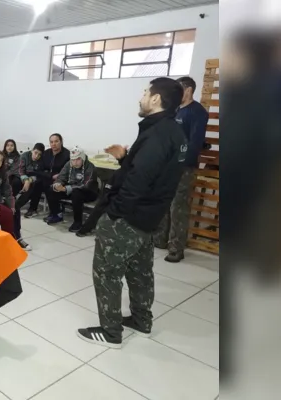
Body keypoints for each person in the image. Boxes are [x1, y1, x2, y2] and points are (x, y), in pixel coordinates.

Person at [77, 77, 187, 349]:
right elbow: (153, 173)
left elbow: (139, 181)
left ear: (156, 99)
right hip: (149, 218)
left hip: (129, 217)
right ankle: (141, 320)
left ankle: (110, 331)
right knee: (140, 272)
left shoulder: (157, 134)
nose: (141, 96)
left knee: (106, 271)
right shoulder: (174, 132)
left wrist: (113, 215)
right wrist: (125, 158)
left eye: (145, 92)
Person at [153, 76, 210, 263]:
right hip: (166, 165)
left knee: (178, 207)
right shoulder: (175, 110)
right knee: (163, 203)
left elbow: (195, 143)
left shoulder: (197, 112)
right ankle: (160, 239)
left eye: (179, 89)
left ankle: (176, 248)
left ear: (188, 90)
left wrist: (181, 162)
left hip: (183, 167)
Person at [44, 146, 98, 232]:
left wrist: (66, 189)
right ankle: (57, 214)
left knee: (76, 193)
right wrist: (58, 184)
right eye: (73, 160)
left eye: (78, 159)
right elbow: (61, 177)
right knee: (51, 189)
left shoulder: (90, 167)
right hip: (71, 190)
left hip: (89, 192)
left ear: (83, 158)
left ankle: (78, 222)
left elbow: (86, 185)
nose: (75, 162)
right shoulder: (69, 164)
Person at [0, 149, 31, 250]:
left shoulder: (2, 173)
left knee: (15, 208)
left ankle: (17, 236)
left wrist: (11, 204)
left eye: (1, 160)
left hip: (0, 199)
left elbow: (7, 190)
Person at [28, 134, 69, 219]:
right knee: (37, 183)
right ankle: (33, 209)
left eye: (56, 141)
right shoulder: (46, 153)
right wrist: (50, 175)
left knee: (49, 185)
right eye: (51, 142)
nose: (53, 144)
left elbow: (68, 171)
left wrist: (57, 176)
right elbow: (38, 170)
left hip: (61, 180)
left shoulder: (67, 155)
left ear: (61, 142)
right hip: (47, 178)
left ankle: (54, 212)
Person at [13, 143, 45, 226]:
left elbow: (39, 174)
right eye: (35, 152)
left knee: (36, 186)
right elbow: (20, 170)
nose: (36, 156)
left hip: (34, 178)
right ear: (32, 150)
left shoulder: (42, 160)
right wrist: (26, 180)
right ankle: (11, 202)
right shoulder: (25, 155)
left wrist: (29, 180)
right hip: (23, 176)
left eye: (39, 154)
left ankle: (31, 208)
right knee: (15, 182)